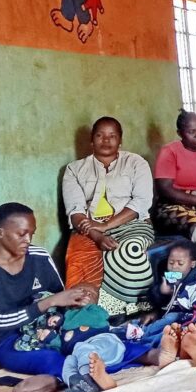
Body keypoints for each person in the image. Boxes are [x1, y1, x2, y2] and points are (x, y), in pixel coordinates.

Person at [0, 203, 177, 377]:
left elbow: (59, 297)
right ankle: (83, 377)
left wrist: (76, 303)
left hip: (52, 323)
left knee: (95, 335)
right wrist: (50, 302)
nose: (28, 240)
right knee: (52, 359)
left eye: (31, 234)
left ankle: (151, 355)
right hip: (9, 340)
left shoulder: (38, 256)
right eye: (22, 234)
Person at [62, 117, 155, 316]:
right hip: (88, 228)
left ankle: (134, 307)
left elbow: (141, 202)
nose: (106, 140)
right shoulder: (74, 170)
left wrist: (105, 226)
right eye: (100, 135)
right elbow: (75, 211)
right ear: (91, 140)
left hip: (131, 223)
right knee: (78, 260)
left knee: (128, 251)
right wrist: (97, 234)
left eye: (112, 136)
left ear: (120, 140)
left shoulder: (136, 163)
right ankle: (90, 313)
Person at [126, 241, 196, 344]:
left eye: (180, 263)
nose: (174, 266)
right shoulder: (170, 276)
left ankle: (142, 333)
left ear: (193, 264)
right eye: (171, 262)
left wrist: (176, 293)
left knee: (171, 317)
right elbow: (154, 297)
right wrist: (161, 292)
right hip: (163, 313)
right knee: (148, 314)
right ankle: (133, 327)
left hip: (183, 317)